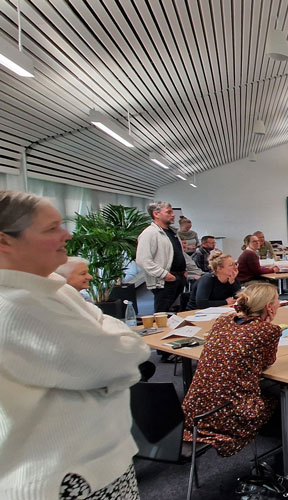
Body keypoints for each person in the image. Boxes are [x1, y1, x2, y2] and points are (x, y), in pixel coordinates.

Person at [0, 190, 150, 499]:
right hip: (69, 479)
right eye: (51, 228)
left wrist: (110, 341)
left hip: (97, 466)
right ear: (5, 241)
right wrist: (111, 343)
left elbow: (121, 348)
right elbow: (121, 359)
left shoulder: (55, 290)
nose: (66, 234)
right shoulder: (15, 308)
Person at [181, 283, 280, 457]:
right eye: (277, 300)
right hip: (228, 414)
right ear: (269, 307)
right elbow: (267, 361)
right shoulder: (267, 330)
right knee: (280, 401)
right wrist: (268, 324)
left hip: (194, 409)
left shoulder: (222, 321)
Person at [137, 200, 188, 314]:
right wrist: (164, 275)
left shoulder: (171, 232)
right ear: (156, 214)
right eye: (169, 212)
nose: (173, 215)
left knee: (174, 313)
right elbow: (143, 260)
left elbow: (179, 253)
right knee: (162, 313)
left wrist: (184, 271)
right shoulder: (150, 233)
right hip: (165, 281)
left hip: (177, 278)